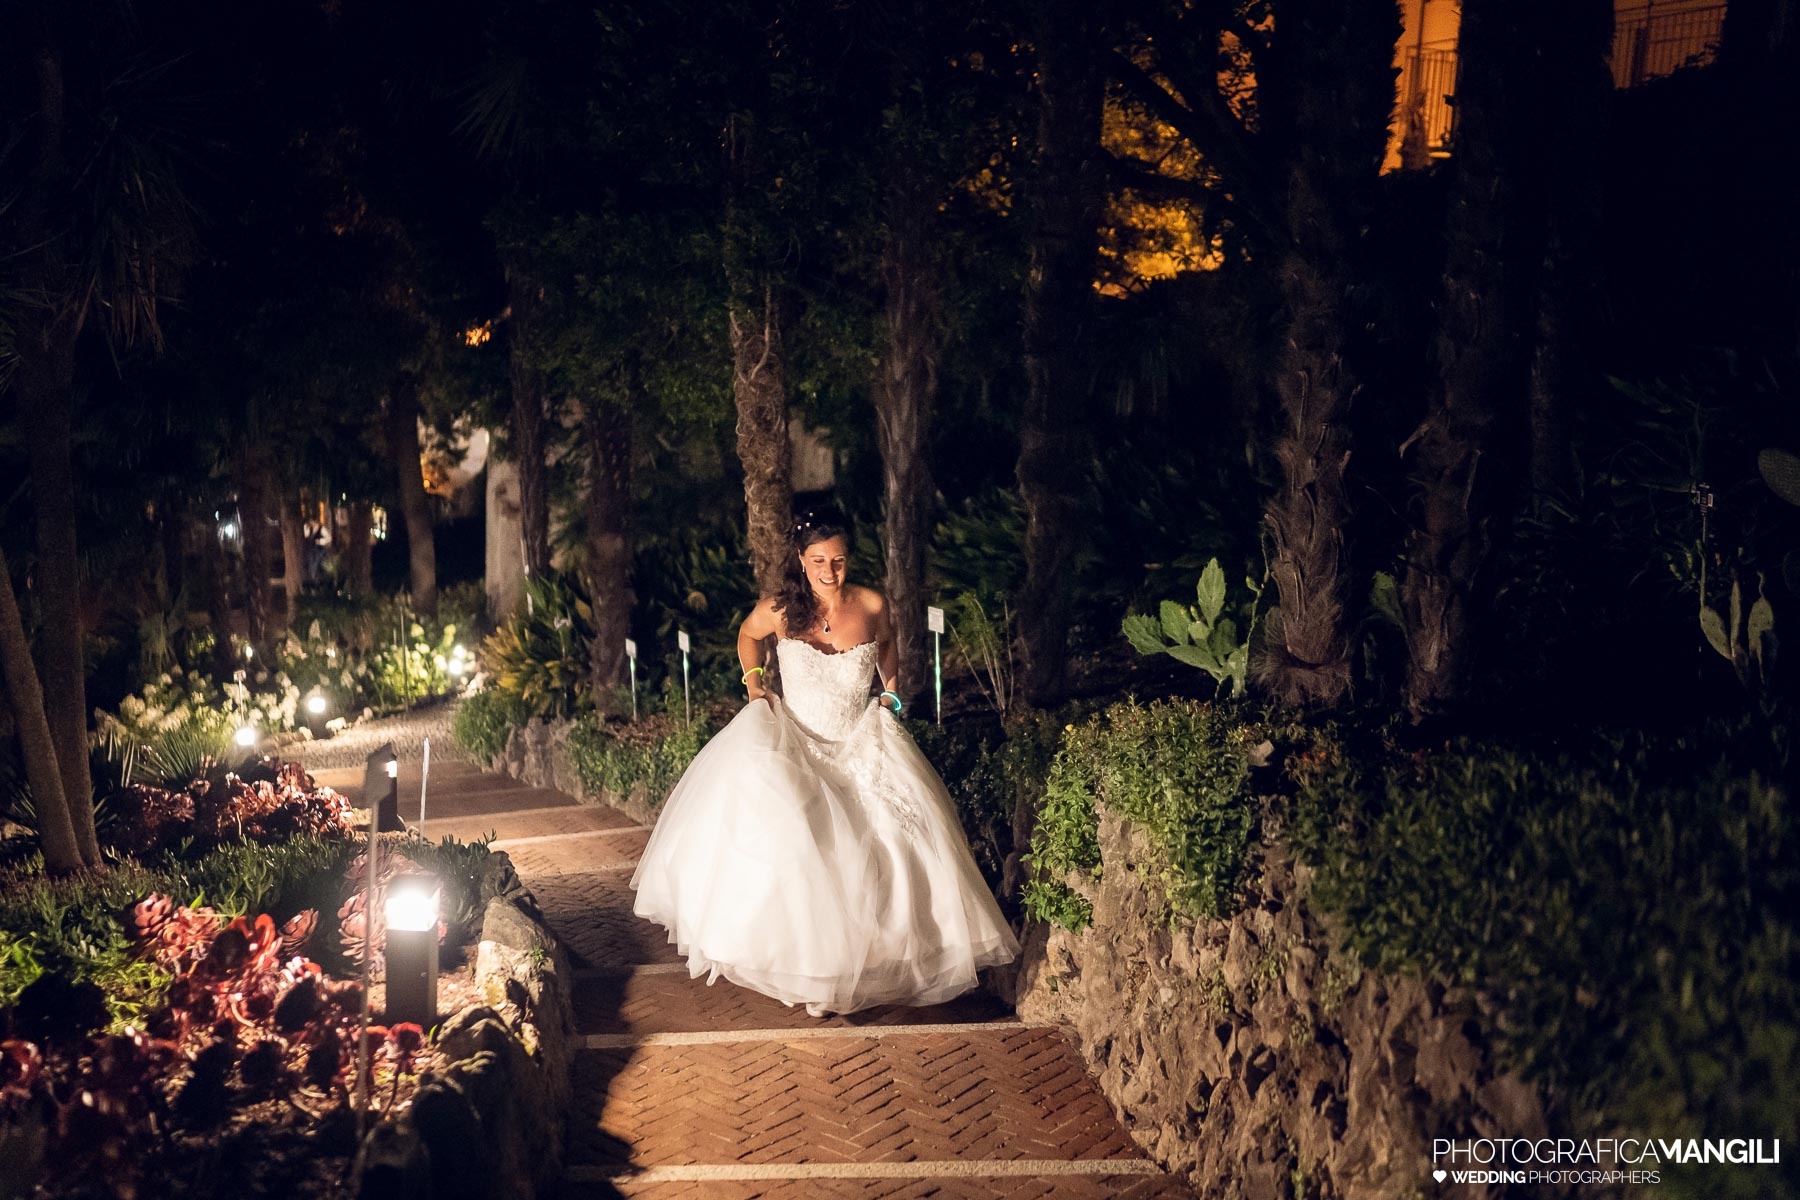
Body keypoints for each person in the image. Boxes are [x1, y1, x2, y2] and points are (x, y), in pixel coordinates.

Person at [631, 510, 1019, 1016]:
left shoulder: (871, 604)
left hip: (861, 743)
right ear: (801, 559)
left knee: (889, 849)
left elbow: (888, 648)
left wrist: (891, 693)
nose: (829, 571)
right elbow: (747, 636)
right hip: (798, 743)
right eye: (818, 561)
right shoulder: (779, 610)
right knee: (804, 853)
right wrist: (753, 684)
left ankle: (867, 966)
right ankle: (815, 976)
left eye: (837, 560)